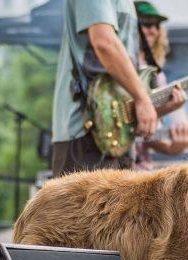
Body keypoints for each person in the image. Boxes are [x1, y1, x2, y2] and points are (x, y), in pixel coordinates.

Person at [51, 0, 161, 177]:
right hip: (86, 133)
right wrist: (142, 98)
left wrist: (150, 105)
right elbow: (104, 42)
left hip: (116, 136)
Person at [134, 1, 188, 171]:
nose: (153, 29)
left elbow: (147, 133)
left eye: (157, 25)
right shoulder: (118, 67)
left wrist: (173, 147)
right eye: (146, 23)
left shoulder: (157, 75)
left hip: (140, 169)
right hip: (110, 166)